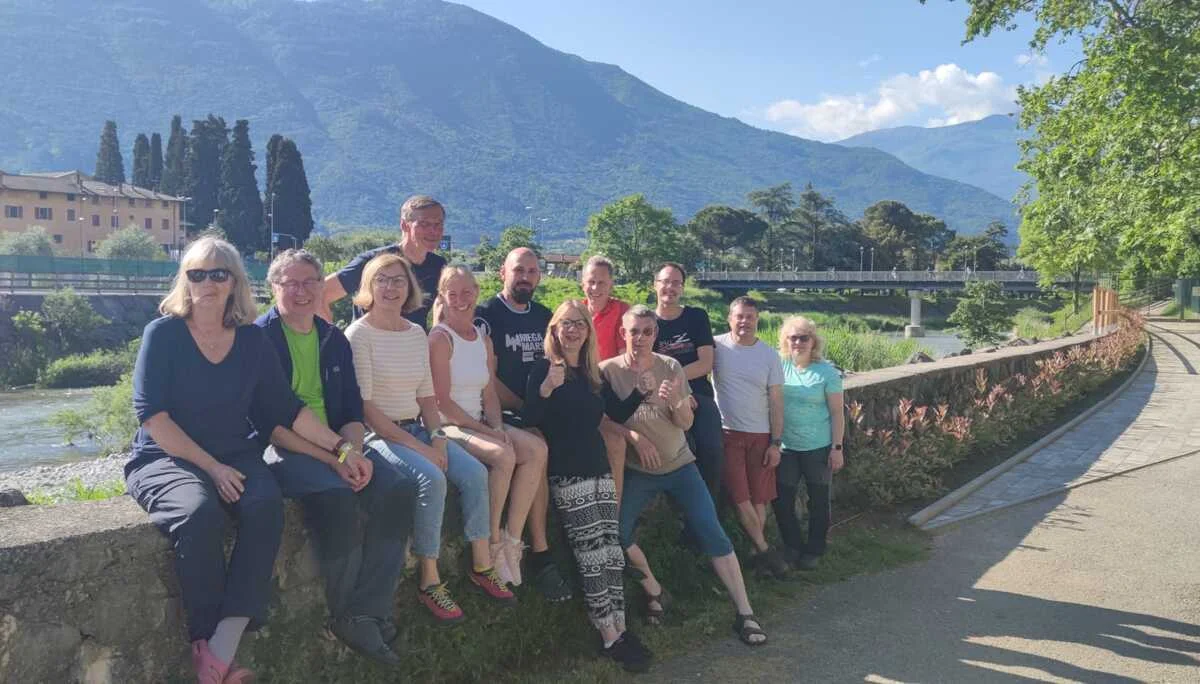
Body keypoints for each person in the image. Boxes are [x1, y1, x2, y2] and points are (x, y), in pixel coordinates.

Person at [125, 237, 356, 683]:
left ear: (234, 282)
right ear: (184, 280)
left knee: (265, 505)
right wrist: (211, 467)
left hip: (234, 451)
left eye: (218, 273)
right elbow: (153, 417)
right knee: (198, 513)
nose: (207, 283)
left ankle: (220, 647)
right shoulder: (165, 333)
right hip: (167, 455)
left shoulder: (250, 340)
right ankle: (208, 650)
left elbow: (286, 409)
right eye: (197, 273)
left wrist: (340, 449)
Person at [255, 249, 416, 665]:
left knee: (398, 488)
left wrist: (356, 454)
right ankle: (347, 614)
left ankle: (370, 609)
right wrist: (335, 458)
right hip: (285, 449)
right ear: (273, 288)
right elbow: (273, 426)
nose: (302, 291)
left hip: (339, 445)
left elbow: (349, 411)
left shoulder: (332, 339)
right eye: (290, 283)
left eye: (310, 281)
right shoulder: (258, 339)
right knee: (338, 497)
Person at [345, 253, 513, 624]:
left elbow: (426, 398)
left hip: (418, 427)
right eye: (382, 280)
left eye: (398, 281)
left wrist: (437, 439)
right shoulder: (359, 335)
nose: (390, 288)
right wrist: (424, 448)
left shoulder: (415, 333)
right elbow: (367, 410)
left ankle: (481, 563)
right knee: (432, 478)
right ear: (369, 286)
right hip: (379, 435)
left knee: (474, 474)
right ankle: (430, 579)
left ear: (410, 288)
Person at [601, 306, 768, 647]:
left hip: (680, 465)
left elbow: (686, 423)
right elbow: (601, 420)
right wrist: (633, 437)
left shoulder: (671, 366)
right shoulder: (608, 372)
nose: (641, 338)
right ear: (623, 333)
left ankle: (745, 612)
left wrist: (676, 403)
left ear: (655, 335)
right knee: (617, 533)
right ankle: (656, 590)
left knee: (713, 533)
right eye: (634, 331)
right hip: (638, 472)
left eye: (648, 332)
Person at [522, 301, 653, 672]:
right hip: (568, 473)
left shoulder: (593, 374)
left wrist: (641, 393)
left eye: (579, 324)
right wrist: (546, 389)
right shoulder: (542, 369)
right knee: (591, 554)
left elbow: (615, 413)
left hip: (598, 468)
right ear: (555, 329)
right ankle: (608, 635)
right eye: (566, 324)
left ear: (587, 331)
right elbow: (531, 419)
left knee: (610, 551)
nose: (573, 330)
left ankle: (622, 628)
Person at [428, 265, 548, 586]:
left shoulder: (482, 338)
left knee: (536, 450)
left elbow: (489, 392)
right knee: (504, 455)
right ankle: (492, 544)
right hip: (450, 426)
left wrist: (496, 426)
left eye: (467, 292)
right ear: (443, 296)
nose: (461, 299)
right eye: (452, 293)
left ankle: (512, 541)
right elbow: (442, 403)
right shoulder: (439, 339)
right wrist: (488, 432)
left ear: (477, 293)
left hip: (479, 422)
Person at [474, 247, 572, 601]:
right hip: (506, 410)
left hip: (539, 406)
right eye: (519, 270)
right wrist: (523, 406)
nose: (526, 277)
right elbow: (487, 376)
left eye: (532, 271)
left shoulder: (545, 316)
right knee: (537, 448)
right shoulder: (485, 315)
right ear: (503, 272)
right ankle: (539, 553)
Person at [712, 297, 790, 579]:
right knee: (741, 497)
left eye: (750, 317)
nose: (744, 322)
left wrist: (776, 442)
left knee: (759, 500)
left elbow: (777, 402)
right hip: (728, 433)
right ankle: (766, 551)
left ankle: (759, 558)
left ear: (757, 320)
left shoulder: (769, 355)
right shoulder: (716, 346)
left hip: (761, 435)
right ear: (729, 318)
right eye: (739, 316)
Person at [775, 316, 845, 571]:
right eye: (793, 337)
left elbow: (837, 412)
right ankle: (792, 545)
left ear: (813, 341)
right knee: (782, 499)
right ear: (785, 340)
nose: (798, 342)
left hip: (818, 446)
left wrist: (837, 448)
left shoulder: (827, 372)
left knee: (818, 501)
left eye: (804, 337)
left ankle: (815, 549)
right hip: (786, 447)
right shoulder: (778, 365)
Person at [651, 263, 723, 504]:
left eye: (676, 283)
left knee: (711, 449)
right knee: (677, 452)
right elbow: (646, 367)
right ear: (655, 285)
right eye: (665, 282)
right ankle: (679, 514)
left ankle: (711, 510)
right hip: (661, 399)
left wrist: (682, 387)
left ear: (682, 288)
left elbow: (705, 363)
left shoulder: (696, 317)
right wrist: (677, 392)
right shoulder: (647, 323)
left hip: (699, 396)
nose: (669, 287)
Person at [321, 195, 447, 329]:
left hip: (411, 346)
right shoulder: (373, 262)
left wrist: (435, 339)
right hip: (367, 346)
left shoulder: (438, 266)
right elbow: (321, 293)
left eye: (438, 224)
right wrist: (331, 338)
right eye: (424, 224)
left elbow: (442, 304)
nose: (433, 230)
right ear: (404, 225)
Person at [581, 254, 633, 499]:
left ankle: (616, 514)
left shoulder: (624, 312)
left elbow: (627, 362)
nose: (595, 288)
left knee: (616, 442)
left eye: (602, 283)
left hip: (613, 388)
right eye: (591, 282)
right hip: (583, 391)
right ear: (583, 283)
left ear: (611, 284)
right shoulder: (576, 312)